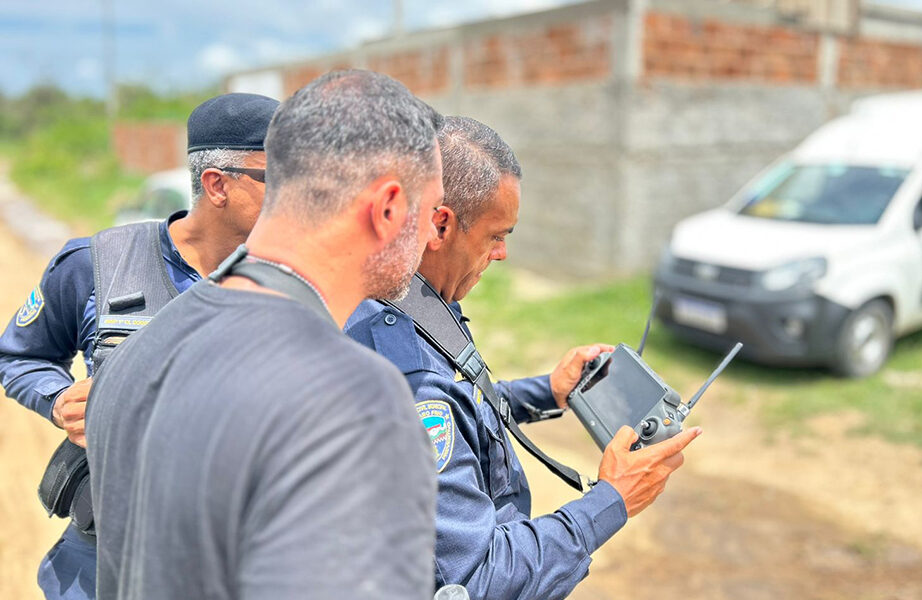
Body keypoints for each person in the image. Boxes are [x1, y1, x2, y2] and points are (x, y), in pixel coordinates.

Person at [85, 69, 444, 600]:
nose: (434, 237)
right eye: (433, 213)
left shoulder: (136, 355)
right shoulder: (352, 399)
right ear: (388, 208)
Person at [345, 116, 702, 600]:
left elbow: (461, 410)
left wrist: (547, 392)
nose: (503, 253)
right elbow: (479, 580)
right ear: (440, 224)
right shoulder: (411, 376)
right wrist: (611, 500)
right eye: (496, 235)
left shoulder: (393, 297)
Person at [0, 92, 279, 600]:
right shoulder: (97, 265)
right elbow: (21, 355)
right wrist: (59, 399)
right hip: (106, 567)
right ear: (216, 185)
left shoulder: (291, 281)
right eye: (276, 180)